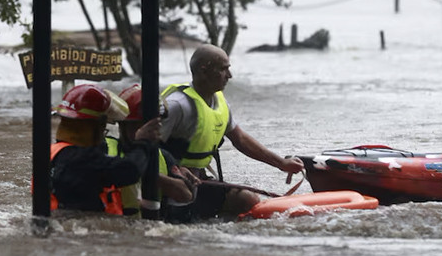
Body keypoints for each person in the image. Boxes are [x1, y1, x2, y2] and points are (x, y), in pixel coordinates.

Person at [159, 44, 304, 221]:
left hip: (200, 179)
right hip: (171, 183)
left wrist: (281, 163)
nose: (229, 76)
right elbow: (147, 146)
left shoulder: (219, 101)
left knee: (247, 200)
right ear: (204, 71)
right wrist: (175, 168)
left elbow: (240, 139)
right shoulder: (177, 105)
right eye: (223, 69)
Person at [50, 84, 160, 214]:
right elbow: (130, 170)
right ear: (91, 127)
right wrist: (142, 142)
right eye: (102, 127)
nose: (104, 133)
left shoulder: (57, 152)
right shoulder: (79, 160)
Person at [108, 84, 201, 216]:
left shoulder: (162, 156)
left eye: (151, 126)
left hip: (151, 227)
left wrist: (153, 176)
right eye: (137, 126)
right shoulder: (105, 149)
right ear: (123, 125)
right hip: (117, 226)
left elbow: (185, 195)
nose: (146, 131)